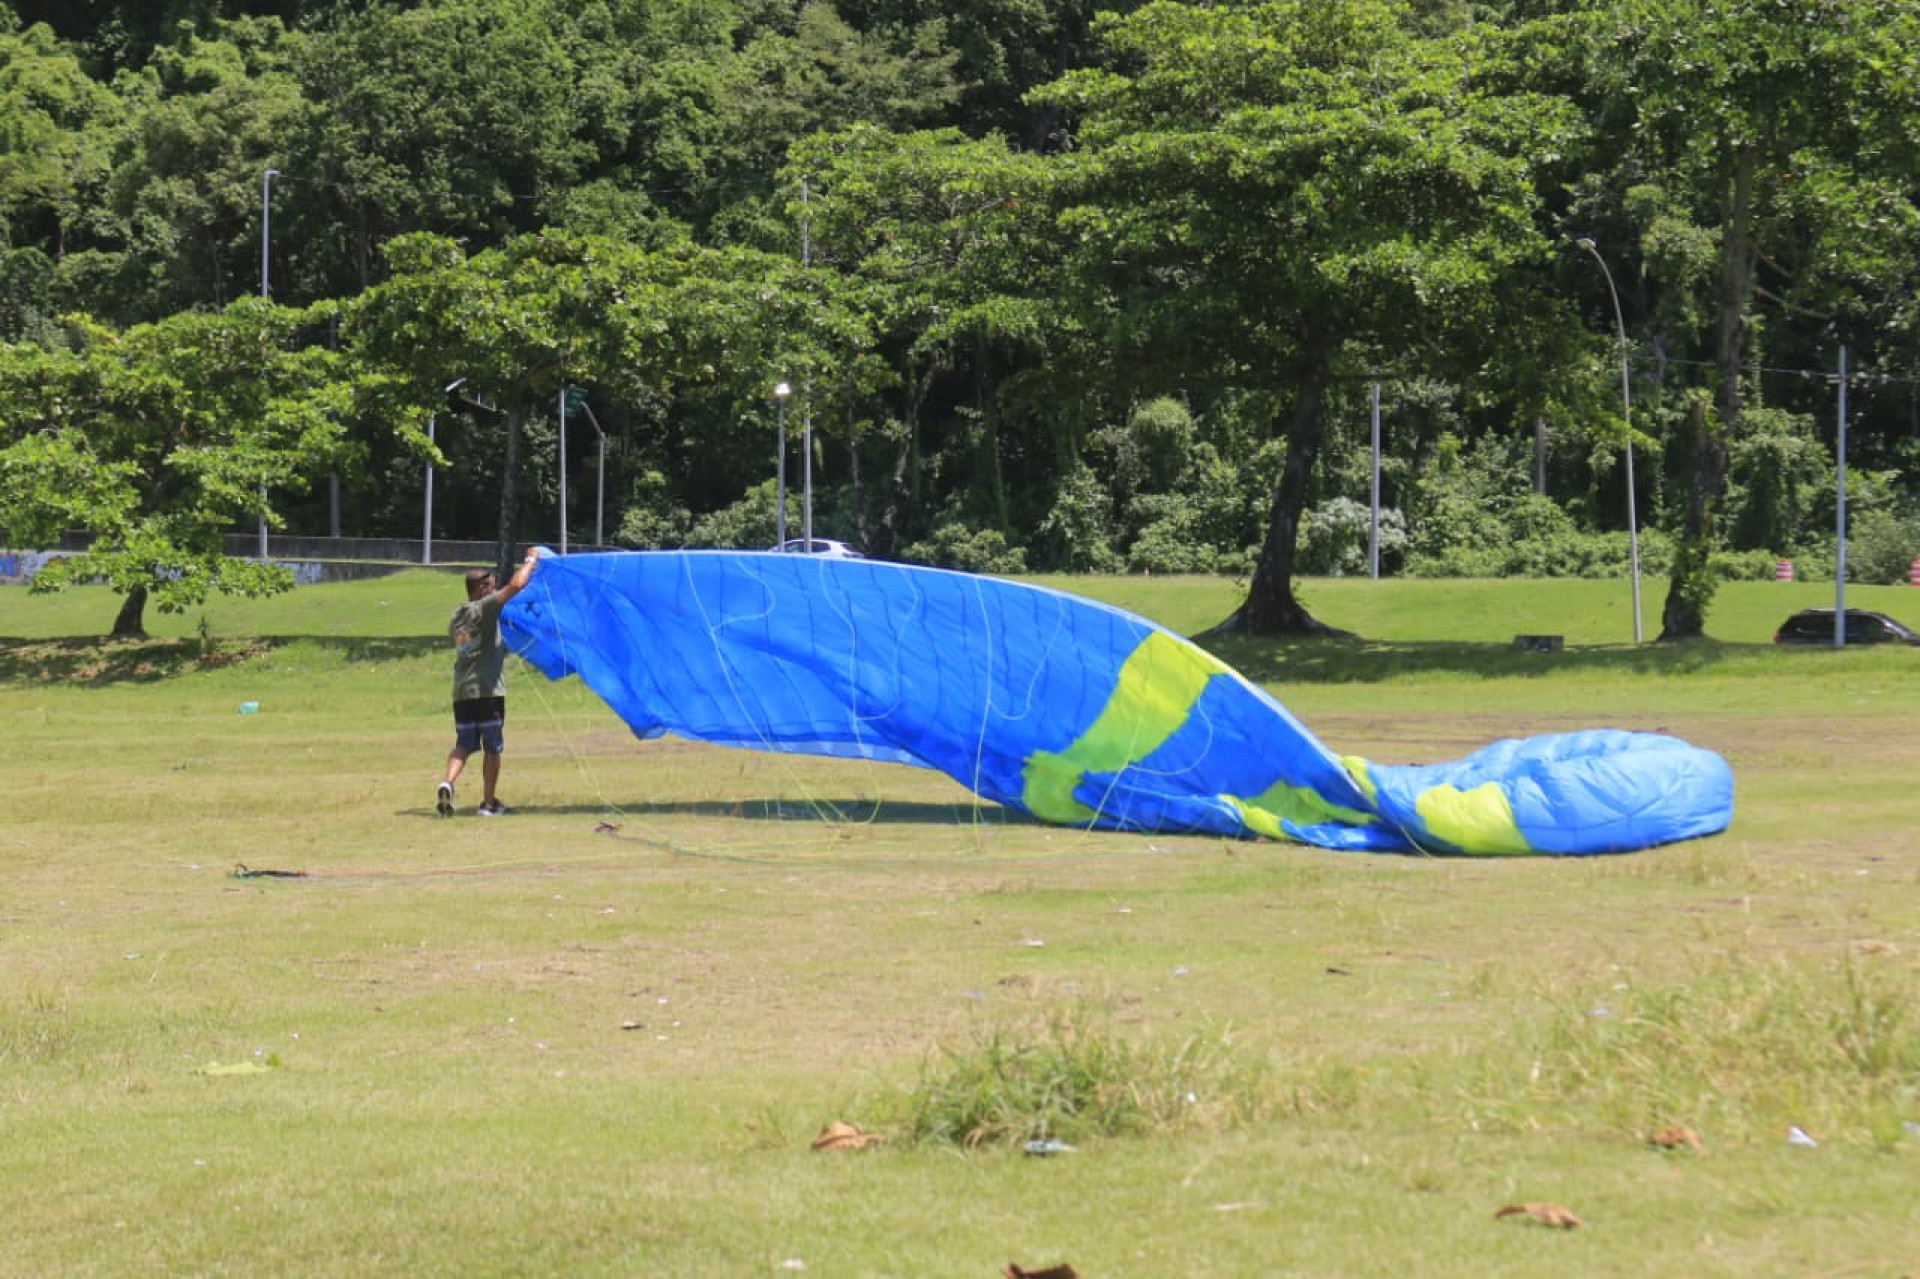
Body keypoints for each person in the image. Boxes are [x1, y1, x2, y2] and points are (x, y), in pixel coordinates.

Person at [437, 550, 539, 817]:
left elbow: (481, 643)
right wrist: (530, 560)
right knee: (492, 748)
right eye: (491, 585)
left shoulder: (457, 616)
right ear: (481, 588)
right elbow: (516, 585)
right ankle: (489, 803)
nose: (495, 589)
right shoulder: (483, 608)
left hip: (462, 692)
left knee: (465, 744)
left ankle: (447, 782)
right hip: (488, 692)